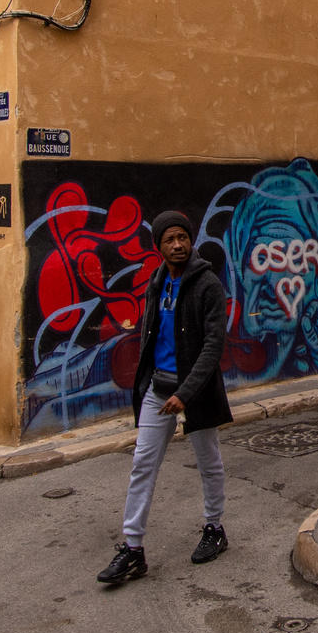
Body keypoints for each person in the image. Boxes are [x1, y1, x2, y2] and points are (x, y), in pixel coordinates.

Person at [97, 210, 233, 583]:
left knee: (209, 461)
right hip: (159, 390)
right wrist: (146, 387)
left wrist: (186, 394)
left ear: (191, 241)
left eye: (182, 238)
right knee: (143, 463)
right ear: (158, 246)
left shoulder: (208, 285)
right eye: (169, 240)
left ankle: (214, 528)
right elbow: (149, 338)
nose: (177, 245)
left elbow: (213, 345)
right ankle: (133, 549)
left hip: (197, 391)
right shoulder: (156, 284)